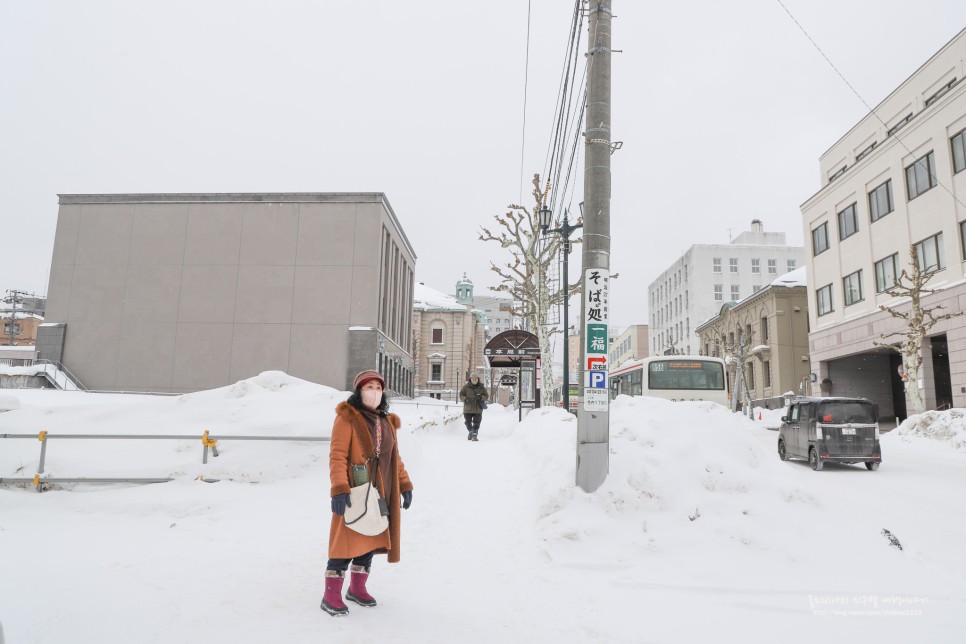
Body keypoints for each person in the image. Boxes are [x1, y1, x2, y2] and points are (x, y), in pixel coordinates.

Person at [322, 370, 414, 616]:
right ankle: (331, 594)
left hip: (381, 489)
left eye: (378, 387)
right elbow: (337, 455)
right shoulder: (347, 418)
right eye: (368, 386)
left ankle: (357, 588)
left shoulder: (387, 421)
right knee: (345, 541)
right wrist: (339, 489)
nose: (374, 391)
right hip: (355, 491)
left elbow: (395, 458)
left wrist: (405, 485)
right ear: (359, 391)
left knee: (370, 539)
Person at [459, 372, 489, 441]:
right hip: (468, 408)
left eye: (476, 378)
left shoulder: (481, 387)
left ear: (478, 379)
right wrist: (465, 399)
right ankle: (470, 431)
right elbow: (461, 395)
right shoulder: (465, 387)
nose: (474, 380)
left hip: (478, 408)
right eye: (473, 378)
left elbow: (486, 396)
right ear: (470, 379)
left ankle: (474, 434)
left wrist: (481, 397)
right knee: (467, 422)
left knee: (476, 422)